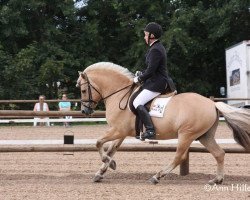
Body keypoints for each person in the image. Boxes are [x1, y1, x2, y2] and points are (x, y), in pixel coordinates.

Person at [133, 22, 176, 140]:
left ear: (151, 36)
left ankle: (150, 130)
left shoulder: (155, 50)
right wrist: (141, 73)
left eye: (145, 34)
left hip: (157, 83)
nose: (144, 37)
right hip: (156, 80)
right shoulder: (156, 48)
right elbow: (150, 68)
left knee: (137, 102)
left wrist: (139, 78)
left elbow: (151, 71)